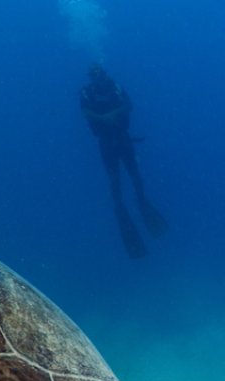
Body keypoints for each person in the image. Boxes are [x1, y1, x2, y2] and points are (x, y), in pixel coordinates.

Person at [80, 64, 167, 258]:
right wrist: (103, 117)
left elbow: (129, 105)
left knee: (134, 174)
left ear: (104, 74)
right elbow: (85, 111)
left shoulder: (115, 87)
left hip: (122, 138)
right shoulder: (87, 92)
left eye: (100, 74)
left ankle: (141, 200)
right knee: (114, 178)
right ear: (91, 77)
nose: (98, 78)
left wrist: (112, 114)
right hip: (106, 141)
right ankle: (120, 206)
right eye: (94, 75)